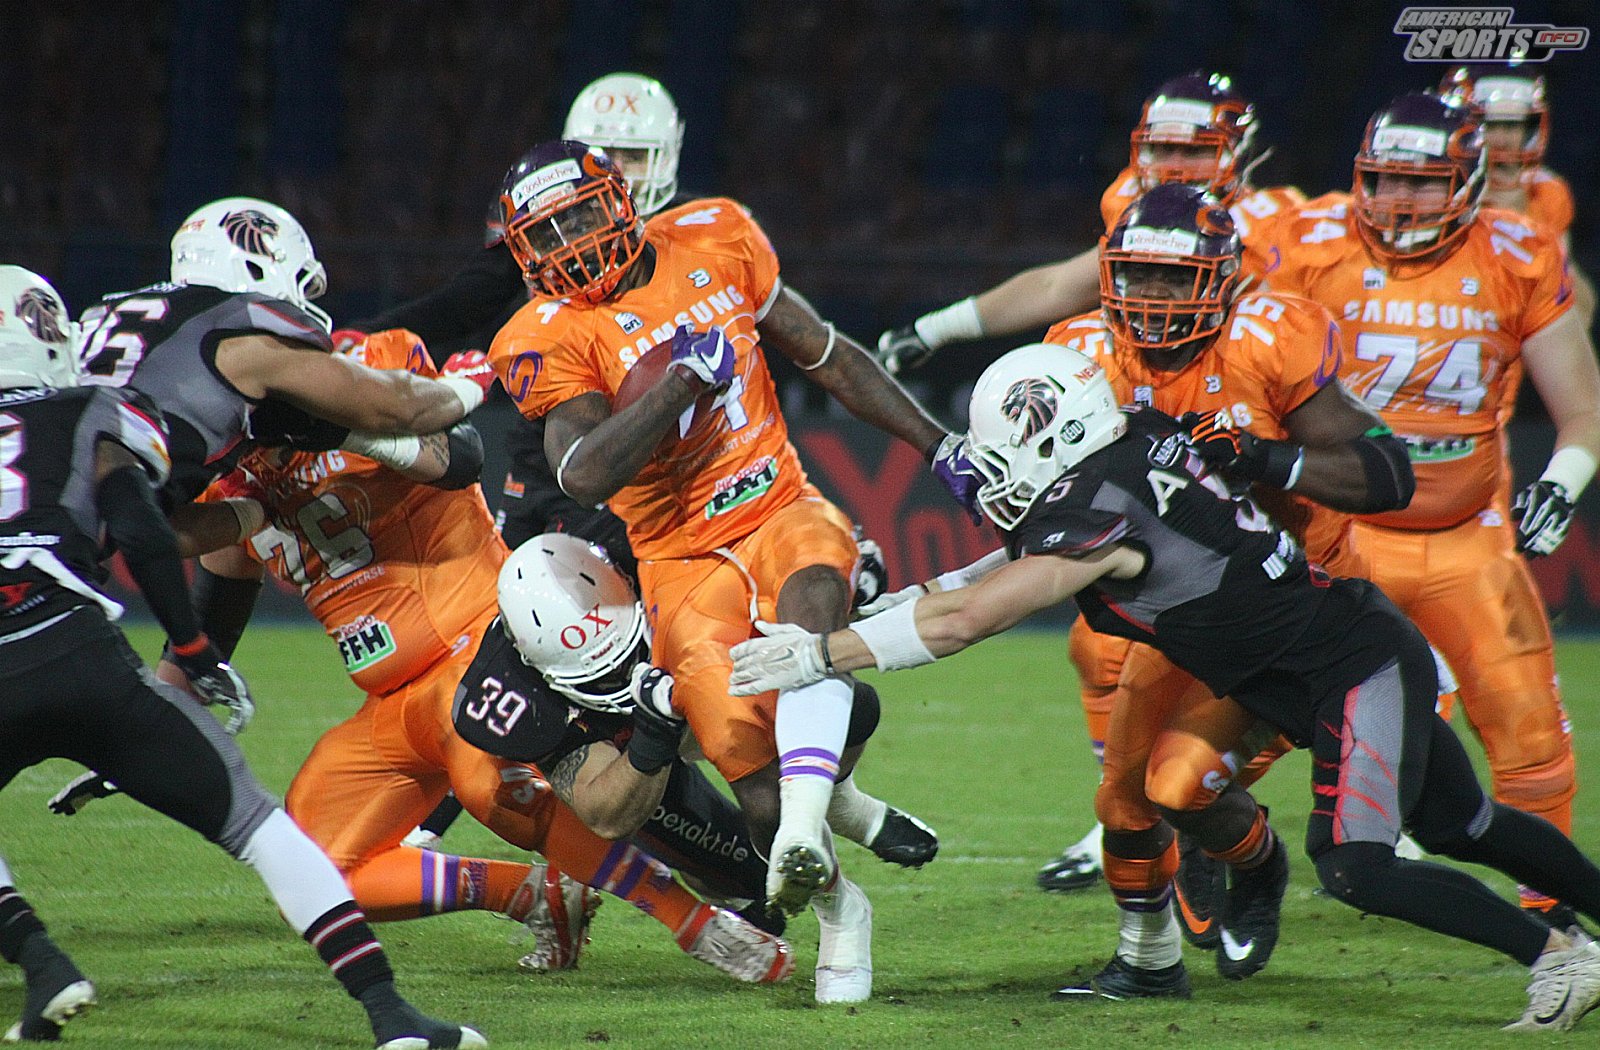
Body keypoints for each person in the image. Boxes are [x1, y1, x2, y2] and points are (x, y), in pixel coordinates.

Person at [730, 343, 1600, 1032]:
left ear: (1057, 435)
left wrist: (822, 655)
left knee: (1358, 868)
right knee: (1461, 823)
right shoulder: (1132, 442)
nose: (994, 476)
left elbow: (974, 618)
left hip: (1346, 670)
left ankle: (1557, 956)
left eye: (1006, 453)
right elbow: (1002, 570)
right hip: (1312, 662)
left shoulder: (1097, 511)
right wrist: (907, 598)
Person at [142, 329, 789, 984]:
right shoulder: (229, 466)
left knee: (496, 789)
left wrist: (340, 430)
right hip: (391, 701)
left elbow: (458, 456)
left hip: (482, 646)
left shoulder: (364, 365)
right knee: (311, 866)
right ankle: (532, 895)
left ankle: (696, 919)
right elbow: (211, 587)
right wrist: (156, 707)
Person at [486, 139, 970, 1003]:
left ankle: (815, 830)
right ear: (523, 253)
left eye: (581, 215)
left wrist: (941, 447)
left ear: (619, 199)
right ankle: (842, 901)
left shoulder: (718, 232)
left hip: (778, 503)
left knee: (813, 607)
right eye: (547, 234)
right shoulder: (541, 333)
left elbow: (827, 353)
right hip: (678, 558)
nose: (570, 243)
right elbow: (584, 473)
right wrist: (677, 385)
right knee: (760, 802)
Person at [0, 266, 484, 1048]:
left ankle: (42, 961)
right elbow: (144, 528)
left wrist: (251, 513)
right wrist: (193, 650)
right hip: (76, 646)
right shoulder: (95, 408)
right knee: (261, 827)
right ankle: (392, 1018)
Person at [876, 71, 1307, 895]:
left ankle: (1353, 815)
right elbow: (1063, 284)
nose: (1175, 165)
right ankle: (1146, 817)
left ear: (1241, 154)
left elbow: (1322, 366)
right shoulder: (1132, 214)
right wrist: (938, 327)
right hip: (1158, 448)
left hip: (1259, 465)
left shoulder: (1294, 234)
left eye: (1195, 150)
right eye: (1163, 148)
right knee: (1102, 650)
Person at [1025, 182, 1410, 989]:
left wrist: (1266, 459)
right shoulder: (1080, 352)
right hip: (1182, 612)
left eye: (1174, 277)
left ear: (1223, 279)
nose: (1153, 296)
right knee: (1123, 805)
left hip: (1290, 609)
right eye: (1138, 274)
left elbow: (1386, 473)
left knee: (1179, 788)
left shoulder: (1270, 338)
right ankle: (1150, 964)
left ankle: (1257, 867)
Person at [1255, 92, 1600, 929]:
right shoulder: (1309, 242)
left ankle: (1551, 912)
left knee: (1528, 733)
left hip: (1464, 541)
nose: (1397, 200)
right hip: (1337, 534)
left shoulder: (1518, 252)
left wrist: (1562, 480)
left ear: (1469, 182)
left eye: (1421, 181)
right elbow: (1253, 371)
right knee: (1244, 725)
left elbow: (1582, 409)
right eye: (1383, 179)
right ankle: (1223, 858)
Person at [456, 532, 869, 942]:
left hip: (691, 660)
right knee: (749, 877)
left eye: (628, 656)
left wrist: (835, 573)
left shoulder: (646, 548)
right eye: (603, 675)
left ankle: (848, 807)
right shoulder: (516, 690)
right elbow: (605, 814)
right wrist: (654, 733)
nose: (623, 678)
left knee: (853, 709)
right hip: (625, 748)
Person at [75, 196, 496, 510]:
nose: (302, 302)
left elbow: (159, 531)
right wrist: (466, 385)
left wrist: (254, 515)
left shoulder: (111, 316)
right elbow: (401, 409)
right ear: (255, 265)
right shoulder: (242, 333)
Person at [1438, 64, 1595, 322]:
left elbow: (1580, 312)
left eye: (1511, 126)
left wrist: (1525, 224)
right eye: (1488, 125)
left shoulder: (1545, 191)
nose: (1500, 139)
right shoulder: (1432, 186)